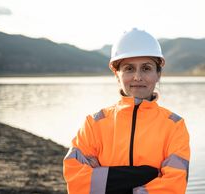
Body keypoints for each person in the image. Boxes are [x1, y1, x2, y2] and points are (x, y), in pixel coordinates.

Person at [63, 28, 190, 194]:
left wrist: (104, 176)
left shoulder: (174, 125)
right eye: (129, 69)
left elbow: (174, 185)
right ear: (117, 74)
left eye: (146, 68)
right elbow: (76, 180)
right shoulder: (94, 123)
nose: (138, 77)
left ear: (158, 74)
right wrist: (146, 176)